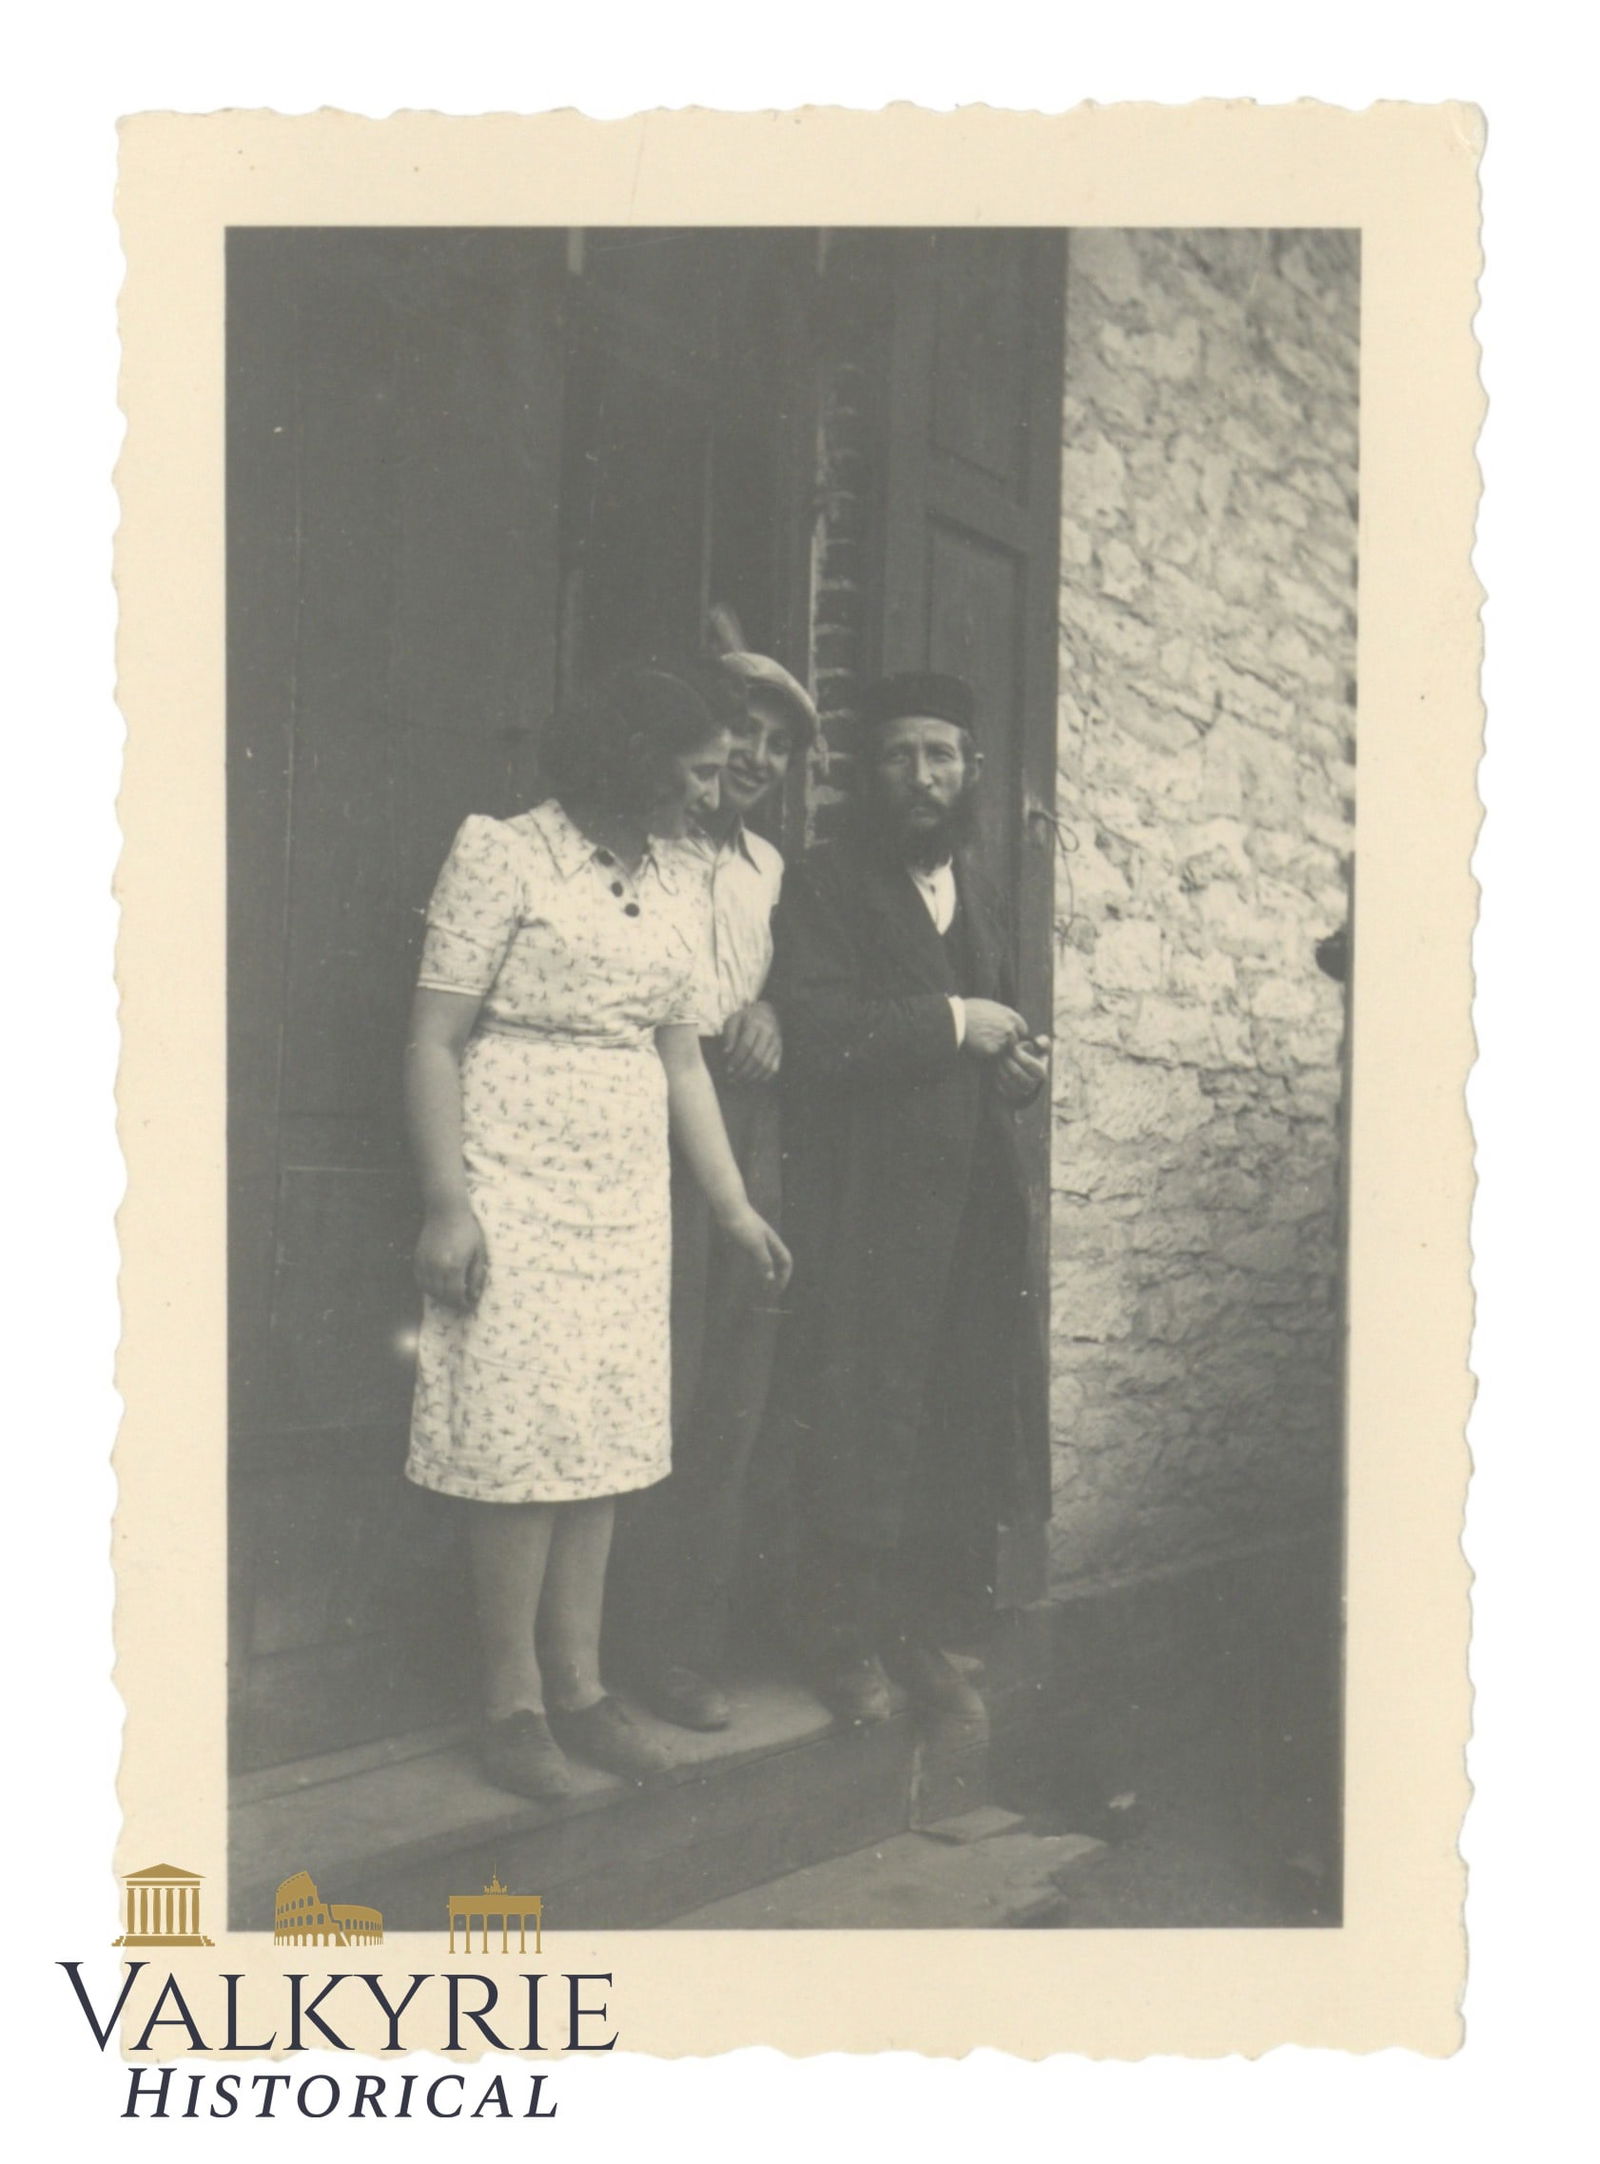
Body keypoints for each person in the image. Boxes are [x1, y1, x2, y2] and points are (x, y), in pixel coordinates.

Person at [404, 659, 792, 1801]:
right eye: (699, 773)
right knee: (518, 1431)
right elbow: (432, 1040)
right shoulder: (504, 852)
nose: (713, 794)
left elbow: (683, 1060)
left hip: (625, 1188)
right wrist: (448, 1202)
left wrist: (730, 1204)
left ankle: (580, 1686)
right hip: (511, 1169)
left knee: (605, 1433)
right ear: (631, 762)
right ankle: (512, 1700)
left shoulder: (676, 878)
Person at [767, 670, 1051, 1729]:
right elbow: (814, 1031)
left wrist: (1016, 1069)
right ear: (868, 772)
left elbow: (997, 1028)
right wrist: (956, 1023)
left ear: (970, 769)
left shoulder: (978, 887)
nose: (920, 776)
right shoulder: (824, 883)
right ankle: (837, 1640)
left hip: (971, 1204)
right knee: (861, 1410)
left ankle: (917, 1631)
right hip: (868, 1203)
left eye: (939, 756)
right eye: (898, 756)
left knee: (952, 1410)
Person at [608, 648, 819, 1731]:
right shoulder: (642, 845)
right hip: (638, 1114)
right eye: (743, 732)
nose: (757, 758)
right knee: (653, 1375)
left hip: (742, 1121)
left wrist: (772, 1008)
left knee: (731, 1385)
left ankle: (681, 1646)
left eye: (780, 746)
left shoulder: (768, 867)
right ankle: (596, 1646)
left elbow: (785, 976)